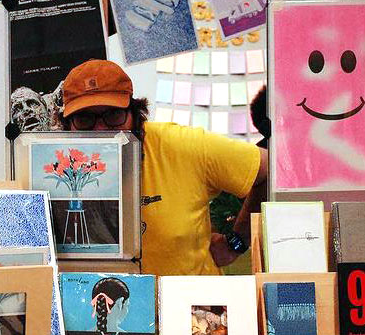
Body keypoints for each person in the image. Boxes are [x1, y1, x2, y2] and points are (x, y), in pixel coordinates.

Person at [60, 60, 267, 276]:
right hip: (97, 296)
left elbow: (269, 171)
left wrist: (236, 242)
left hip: (191, 296)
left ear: (135, 113)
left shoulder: (183, 145)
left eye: (113, 115)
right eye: (84, 119)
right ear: (67, 125)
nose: (101, 129)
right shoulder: (52, 166)